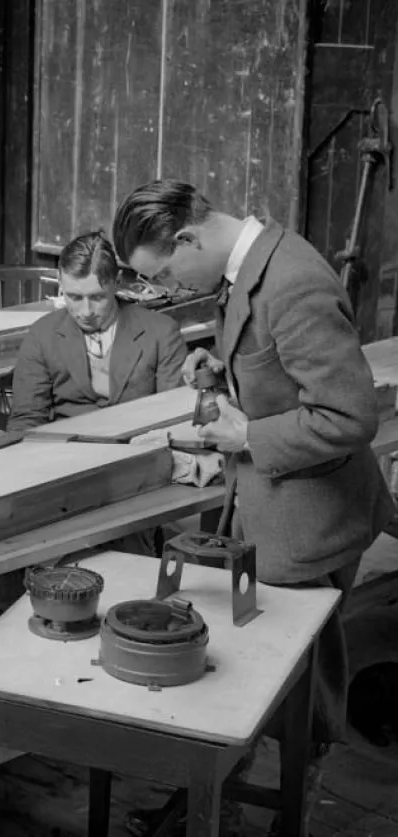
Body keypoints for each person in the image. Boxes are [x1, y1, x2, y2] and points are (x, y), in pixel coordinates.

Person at [113, 179, 395, 834]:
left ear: (188, 238)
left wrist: (248, 435)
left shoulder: (292, 281)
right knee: (242, 661)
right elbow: (280, 369)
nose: (171, 291)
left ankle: (290, 808)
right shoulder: (249, 267)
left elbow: (350, 416)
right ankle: (220, 799)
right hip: (263, 504)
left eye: (166, 276)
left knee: (303, 679)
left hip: (311, 519)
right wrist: (225, 372)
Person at [9, 231, 186, 432]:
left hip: (141, 444)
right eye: (74, 297)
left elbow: (176, 415)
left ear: (117, 281)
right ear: (60, 282)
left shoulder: (161, 333)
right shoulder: (42, 336)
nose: (86, 312)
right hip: (67, 447)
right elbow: (26, 420)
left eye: (97, 297)